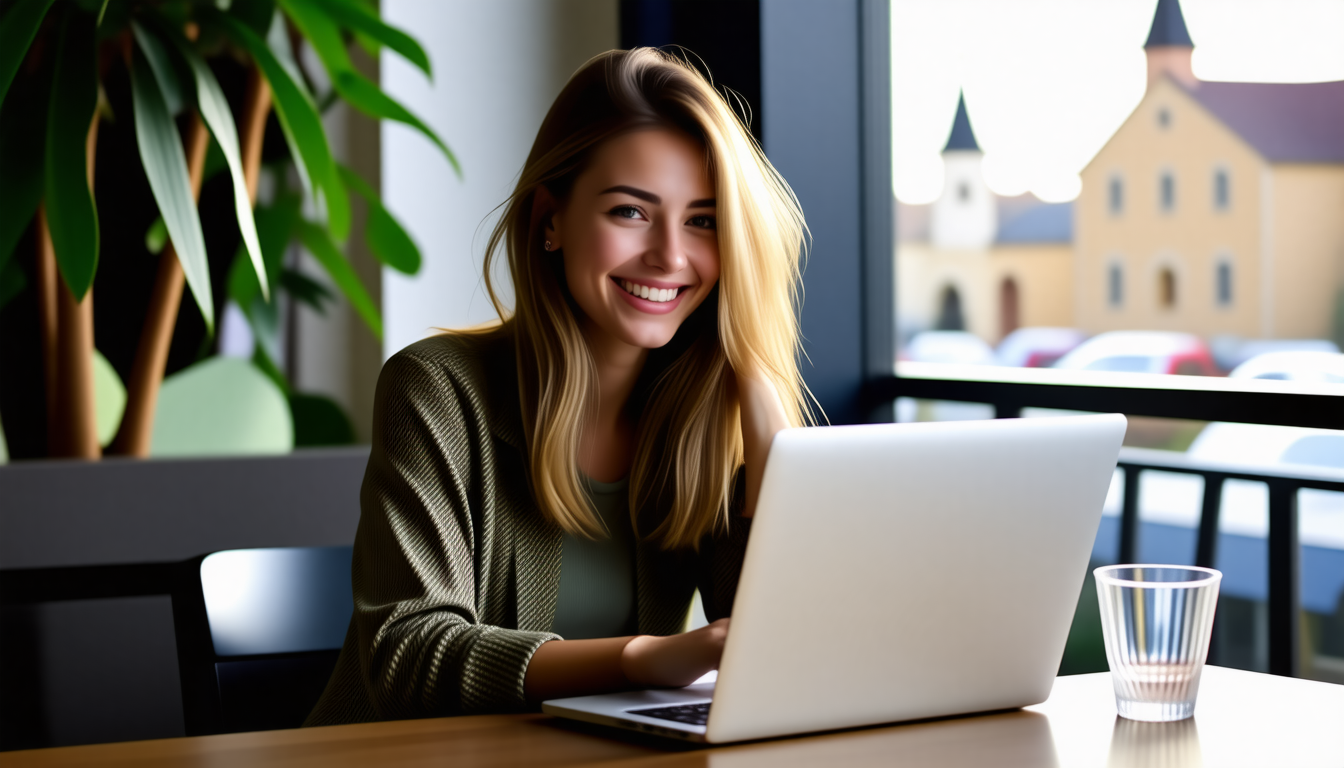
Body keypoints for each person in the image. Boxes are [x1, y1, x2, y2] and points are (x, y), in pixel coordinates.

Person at [306, 47, 809, 726]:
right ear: (550, 220)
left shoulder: (704, 415)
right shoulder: (436, 389)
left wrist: (763, 399)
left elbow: (784, 645)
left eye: (703, 220)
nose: (670, 255)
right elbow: (408, 656)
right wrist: (640, 659)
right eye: (630, 212)